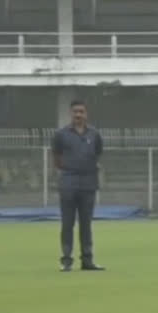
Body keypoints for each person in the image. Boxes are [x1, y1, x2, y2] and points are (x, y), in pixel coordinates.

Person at [52, 100, 105, 272]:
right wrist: (70, 170)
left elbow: (97, 154)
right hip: (68, 183)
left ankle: (87, 260)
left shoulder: (94, 135)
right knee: (67, 223)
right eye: (75, 112)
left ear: (86, 113)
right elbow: (57, 157)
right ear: (71, 114)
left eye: (81, 111)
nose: (78, 115)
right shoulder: (61, 134)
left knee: (86, 224)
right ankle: (67, 260)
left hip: (88, 184)